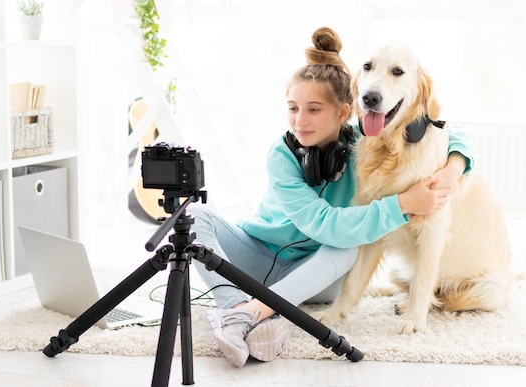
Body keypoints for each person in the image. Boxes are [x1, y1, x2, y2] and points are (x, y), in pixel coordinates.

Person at [188, 26, 474, 368]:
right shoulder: (282, 154)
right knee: (194, 218)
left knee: (348, 243)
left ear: (343, 113)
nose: (299, 121)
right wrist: (402, 205)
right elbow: (320, 222)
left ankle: (254, 313)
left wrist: (454, 168)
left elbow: (447, 130)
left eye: (313, 109)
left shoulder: (365, 146)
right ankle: (242, 311)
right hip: (258, 258)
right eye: (293, 107)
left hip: (317, 274)